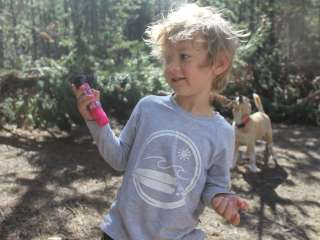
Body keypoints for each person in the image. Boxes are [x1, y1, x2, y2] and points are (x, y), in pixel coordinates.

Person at [73, 3, 249, 240]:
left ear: (218, 63)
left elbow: (215, 185)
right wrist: (94, 121)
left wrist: (221, 198)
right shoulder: (148, 107)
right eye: (168, 58)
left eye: (184, 56)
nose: (172, 67)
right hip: (119, 234)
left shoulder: (222, 132)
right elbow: (118, 159)